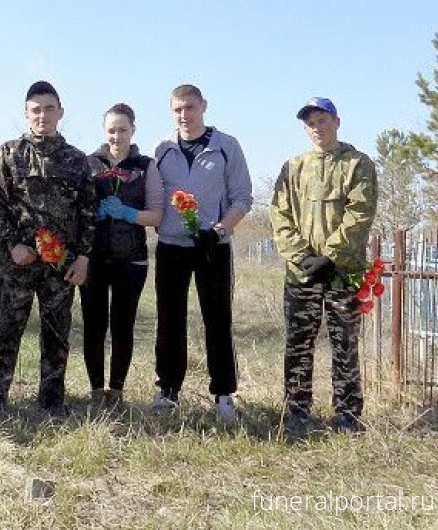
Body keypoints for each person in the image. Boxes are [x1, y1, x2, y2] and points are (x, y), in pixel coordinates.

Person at [0, 81, 94, 417]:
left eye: (49, 108)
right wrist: (13, 244)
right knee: (7, 331)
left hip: (61, 265)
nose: (42, 115)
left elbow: (87, 212)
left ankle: (51, 401)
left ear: (60, 112)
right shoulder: (8, 153)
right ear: (26, 114)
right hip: (17, 262)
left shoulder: (76, 160)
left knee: (57, 334)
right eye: (36, 109)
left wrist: (84, 258)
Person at [270, 97, 377, 437]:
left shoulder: (357, 164)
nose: (317, 127)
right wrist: (304, 257)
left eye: (323, 119)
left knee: (344, 344)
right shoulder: (293, 167)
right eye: (311, 122)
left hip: (342, 274)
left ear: (337, 122)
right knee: (299, 344)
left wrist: (330, 257)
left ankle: (347, 414)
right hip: (301, 274)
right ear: (305, 128)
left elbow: (359, 214)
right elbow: (280, 215)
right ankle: (297, 410)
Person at [152, 84, 253, 421]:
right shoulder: (162, 149)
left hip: (213, 247)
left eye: (190, 107)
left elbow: (242, 197)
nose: (184, 115)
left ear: (203, 106)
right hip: (171, 247)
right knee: (169, 320)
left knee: (217, 320)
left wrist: (220, 230)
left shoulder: (227, 146)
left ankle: (224, 395)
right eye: (178, 109)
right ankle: (168, 391)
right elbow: (154, 198)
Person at [81, 103, 163, 409]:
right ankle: (95, 390)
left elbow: (156, 215)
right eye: (112, 130)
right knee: (93, 324)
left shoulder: (146, 166)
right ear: (104, 131)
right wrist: (95, 212)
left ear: (133, 130)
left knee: (122, 325)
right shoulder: (88, 163)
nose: (117, 136)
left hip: (131, 259)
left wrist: (128, 214)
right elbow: (77, 208)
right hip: (94, 258)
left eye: (123, 130)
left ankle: (116, 391)